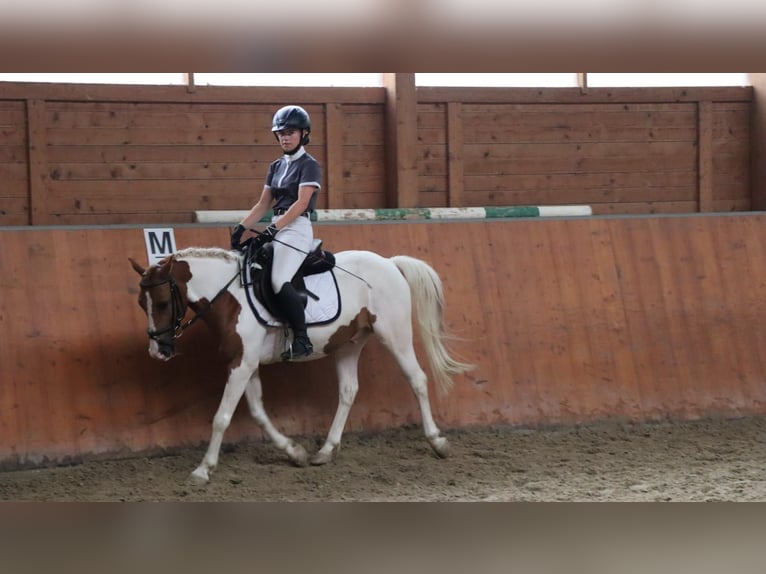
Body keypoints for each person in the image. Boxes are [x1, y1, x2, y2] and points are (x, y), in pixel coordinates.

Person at [230, 105, 321, 360]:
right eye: (280, 133)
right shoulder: (276, 166)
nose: (285, 137)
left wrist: (272, 229)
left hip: (297, 229)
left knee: (279, 280)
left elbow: (301, 203)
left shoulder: (309, 165)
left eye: (290, 132)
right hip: (278, 227)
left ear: (304, 134)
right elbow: (263, 204)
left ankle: (302, 339)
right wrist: (242, 227)